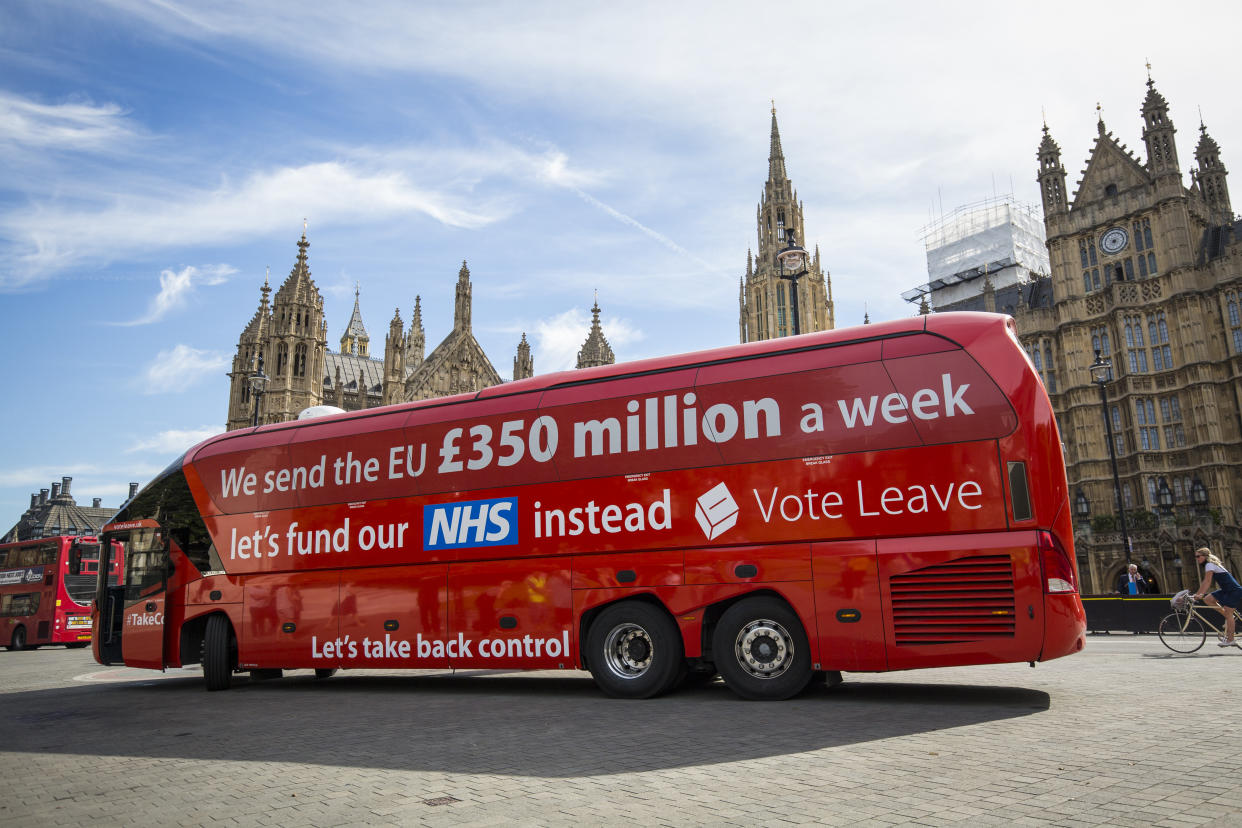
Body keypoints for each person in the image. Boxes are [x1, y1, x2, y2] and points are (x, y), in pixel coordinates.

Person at [1191, 547, 1242, 647]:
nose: (1197, 559)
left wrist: (1198, 594)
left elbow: (1207, 581)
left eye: (1198, 556)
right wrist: (1199, 594)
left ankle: (1230, 640)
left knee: (1229, 614)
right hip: (1226, 590)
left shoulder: (1209, 564)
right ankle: (1228, 617)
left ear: (1205, 556)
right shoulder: (1211, 564)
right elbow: (1205, 582)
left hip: (1233, 591)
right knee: (1208, 599)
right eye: (1195, 557)